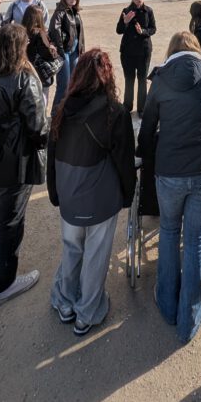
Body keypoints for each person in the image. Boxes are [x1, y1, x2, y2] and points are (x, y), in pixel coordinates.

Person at [138, 31, 201, 343]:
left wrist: (145, 155)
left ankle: (168, 302)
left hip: (170, 169)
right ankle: (190, 315)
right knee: (196, 238)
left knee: (170, 232)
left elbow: (147, 126)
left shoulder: (160, 80)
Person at [47, 49, 136, 336]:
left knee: (72, 249)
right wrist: (128, 194)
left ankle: (65, 301)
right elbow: (125, 161)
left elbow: (52, 156)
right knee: (96, 255)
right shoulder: (114, 113)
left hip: (69, 192)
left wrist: (54, 192)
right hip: (100, 196)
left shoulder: (62, 109)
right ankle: (87, 312)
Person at [0, 23, 48, 304]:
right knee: (8, 221)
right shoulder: (23, 77)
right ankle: (4, 284)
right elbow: (37, 125)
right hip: (14, 159)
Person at [116, 0, 156, 115]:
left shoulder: (149, 11)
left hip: (144, 51)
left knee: (142, 80)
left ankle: (142, 108)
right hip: (128, 51)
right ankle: (127, 106)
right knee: (129, 79)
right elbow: (119, 30)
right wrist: (125, 22)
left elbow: (153, 29)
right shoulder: (126, 11)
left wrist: (143, 31)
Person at [49, 0, 85, 108]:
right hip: (64, 51)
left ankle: (67, 110)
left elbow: (80, 34)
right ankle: (56, 111)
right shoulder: (60, 12)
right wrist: (60, 51)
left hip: (75, 50)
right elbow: (54, 32)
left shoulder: (76, 12)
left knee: (73, 82)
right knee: (64, 83)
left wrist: (82, 50)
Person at [22, 4, 59, 102]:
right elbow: (47, 54)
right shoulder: (41, 33)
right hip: (41, 71)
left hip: (26, 69)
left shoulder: (21, 32)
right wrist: (52, 48)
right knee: (43, 97)